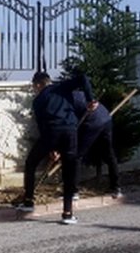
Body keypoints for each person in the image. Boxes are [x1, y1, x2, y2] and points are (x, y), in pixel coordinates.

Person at [18, 72, 97, 225]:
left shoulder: (38, 100)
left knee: (31, 163)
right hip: (70, 131)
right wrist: (90, 99)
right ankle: (67, 214)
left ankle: (28, 201)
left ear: (39, 84)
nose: (35, 90)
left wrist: (51, 149)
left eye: (35, 87)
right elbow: (83, 78)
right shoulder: (62, 87)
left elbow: (41, 126)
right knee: (69, 170)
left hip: (50, 133)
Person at [72, 90, 122, 199]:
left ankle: (73, 192)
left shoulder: (64, 100)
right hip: (105, 117)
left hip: (92, 121)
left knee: (76, 155)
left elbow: (70, 125)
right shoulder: (79, 92)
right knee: (109, 154)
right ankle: (116, 188)